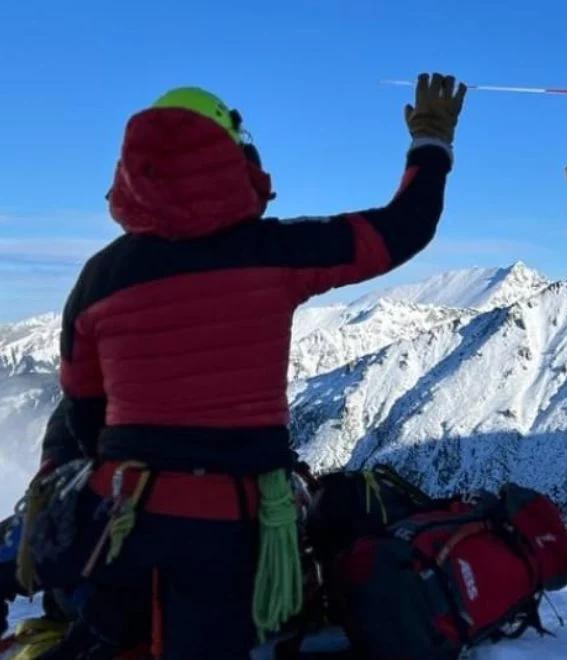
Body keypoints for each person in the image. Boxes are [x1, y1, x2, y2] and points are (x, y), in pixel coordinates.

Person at [45, 73, 466, 658]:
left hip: (121, 526)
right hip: (238, 533)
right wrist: (432, 142)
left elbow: (82, 411)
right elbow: (404, 229)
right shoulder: (276, 251)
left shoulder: (99, 277)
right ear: (233, 154)